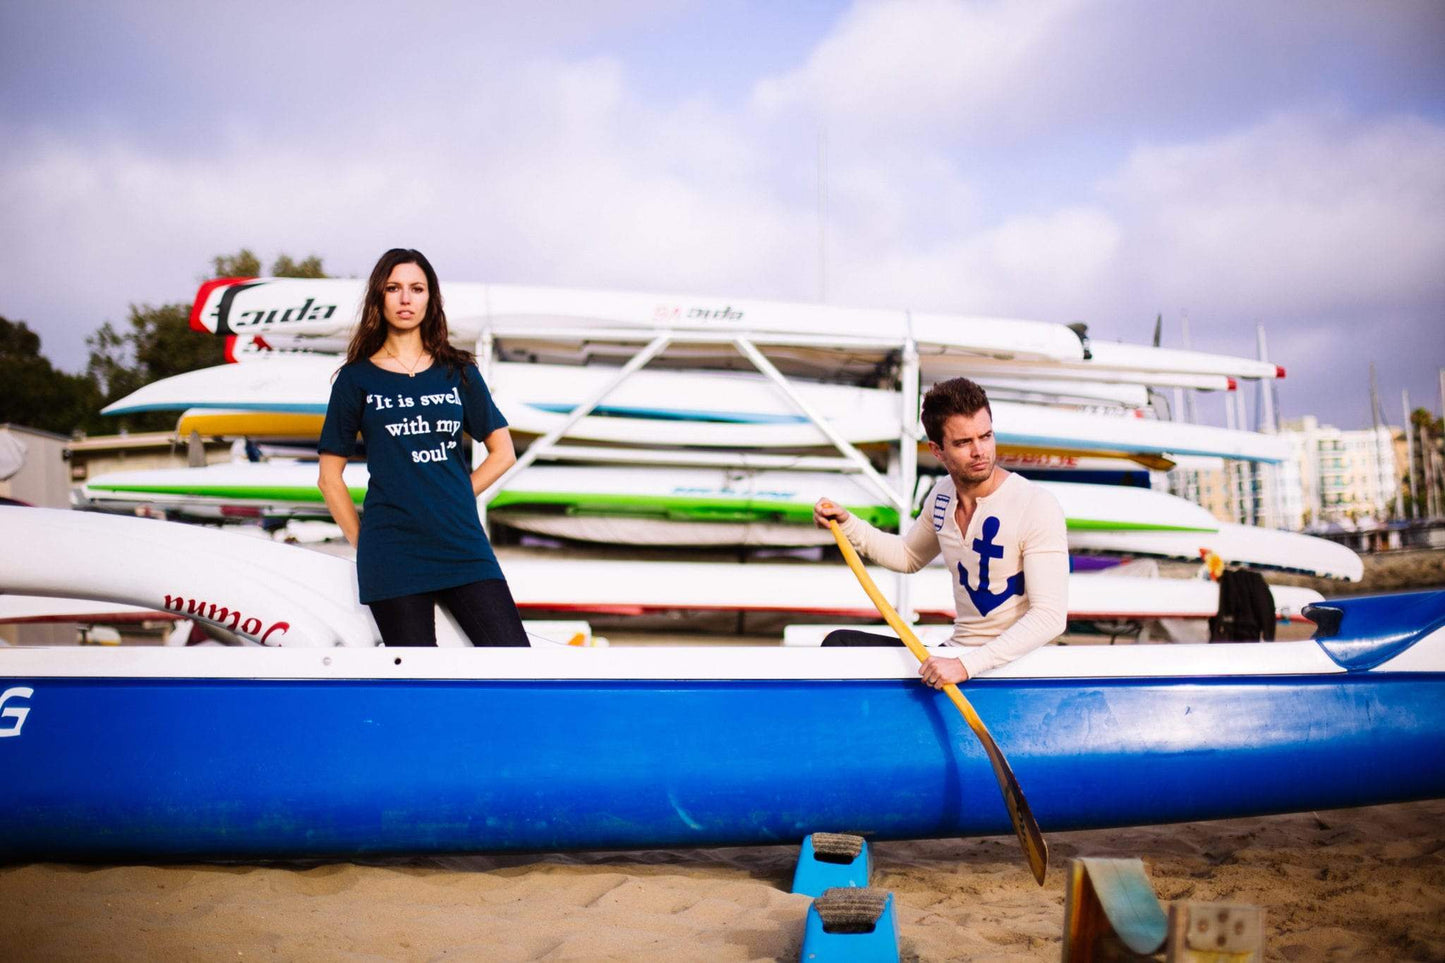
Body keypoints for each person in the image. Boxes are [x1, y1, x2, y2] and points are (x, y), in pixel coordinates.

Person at [317, 248, 529, 647]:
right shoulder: (355, 379)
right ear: (379, 296)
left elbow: (503, 453)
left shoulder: (458, 371)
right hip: (392, 551)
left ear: (430, 298)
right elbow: (329, 479)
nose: (405, 298)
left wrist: (453, 496)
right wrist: (368, 545)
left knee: (512, 662)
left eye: (416, 288)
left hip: (461, 542)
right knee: (417, 679)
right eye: (393, 288)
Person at [813, 377, 1067, 687]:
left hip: (1015, 667)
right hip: (957, 656)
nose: (979, 451)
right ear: (937, 450)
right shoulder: (942, 495)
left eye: (985, 436)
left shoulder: (1035, 504)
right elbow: (908, 556)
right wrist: (847, 524)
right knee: (840, 645)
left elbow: (1050, 617)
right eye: (963, 443)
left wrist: (965, 665)